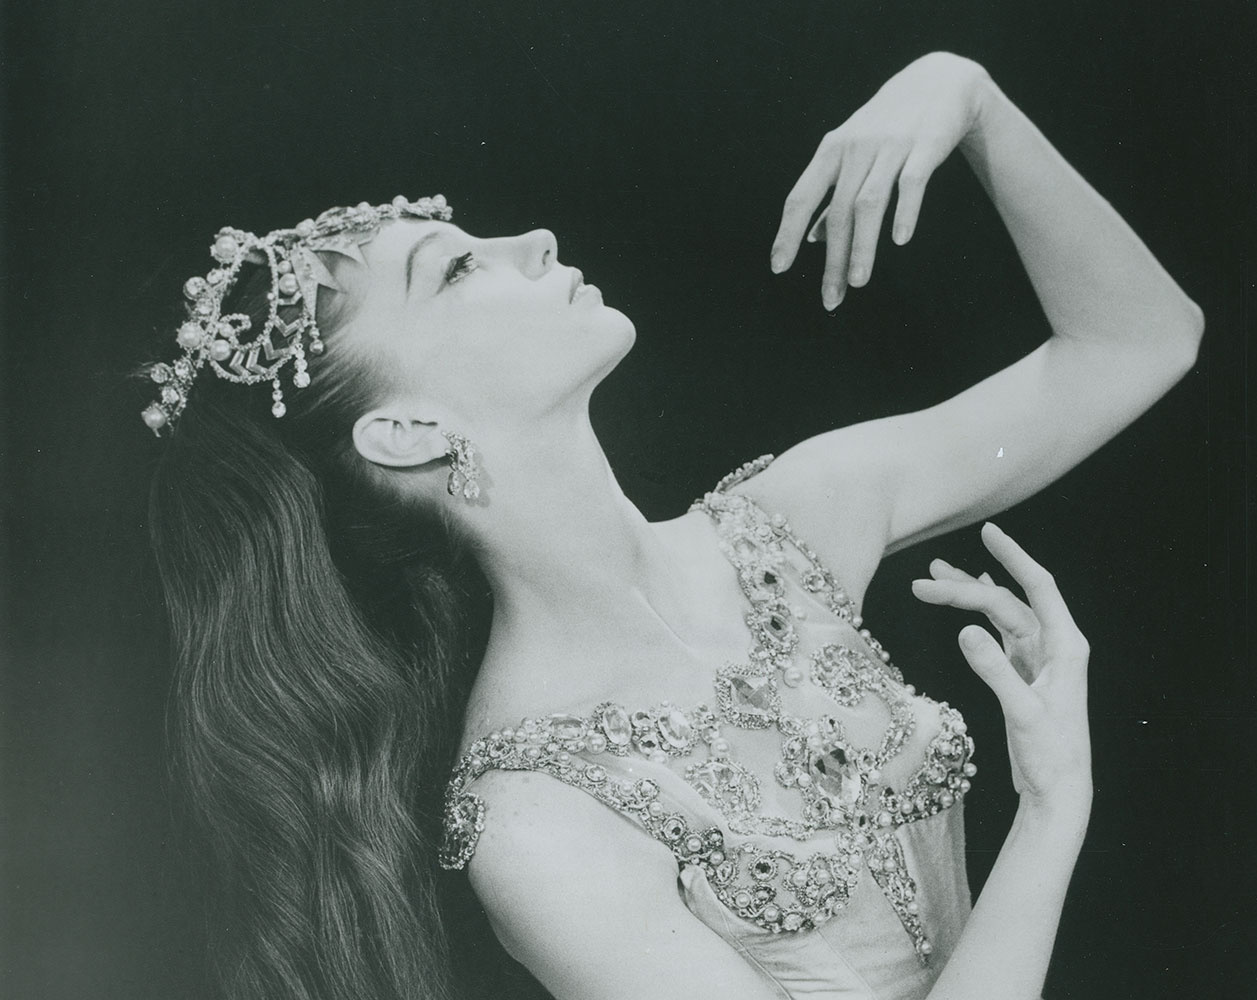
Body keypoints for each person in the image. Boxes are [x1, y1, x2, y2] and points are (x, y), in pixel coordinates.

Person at [142, 52, 1202, 1000]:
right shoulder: (540, 818)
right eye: (460, 267)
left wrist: (968, 95)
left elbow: (1139, 340)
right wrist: (1054, 806)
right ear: (409, 430)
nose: (532, 238)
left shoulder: (793, 524)